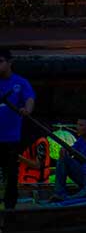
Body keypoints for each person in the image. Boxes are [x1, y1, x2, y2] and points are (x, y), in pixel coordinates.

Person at [0, 48, 35, 209]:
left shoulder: (20, 82)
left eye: (0, 62)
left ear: (9, 63)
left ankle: (9, 208)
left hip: (11, 138)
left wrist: (27, 110)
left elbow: (29, 98)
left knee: (11, 174)